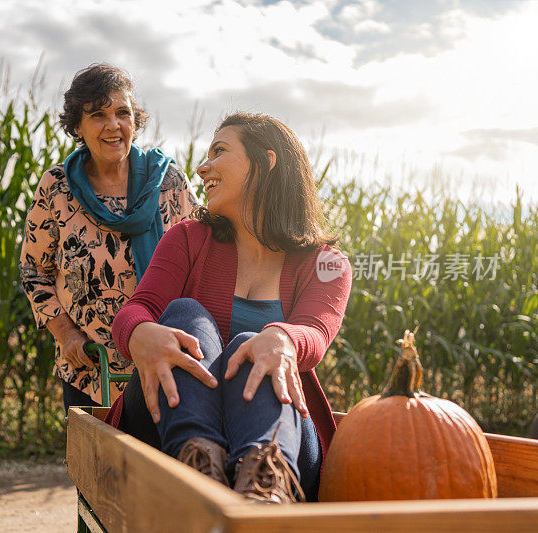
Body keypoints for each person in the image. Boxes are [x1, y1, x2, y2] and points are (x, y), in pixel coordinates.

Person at [107, 112, 352, 503]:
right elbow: (139, 309)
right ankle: (198, 467)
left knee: (255, 342)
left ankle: (264, 485)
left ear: (267, 162)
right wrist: (139, 332)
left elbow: (316, 331)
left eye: (219, 151)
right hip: (166, 428)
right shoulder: (187, 238)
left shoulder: (327, 263)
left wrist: (283, 339)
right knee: (186, 313)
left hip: (278, 431)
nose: (203, 167)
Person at [19, 63, 197, 413]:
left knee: (157, 466)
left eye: (122, 113)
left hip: (163, 364)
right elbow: (33, 270)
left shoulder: (168, 183)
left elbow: (200, 262)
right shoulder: (57, 187)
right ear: (77, 127)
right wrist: (66, 335)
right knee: (97, 464)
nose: (113, 125)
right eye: (98, 115)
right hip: (88, 368)